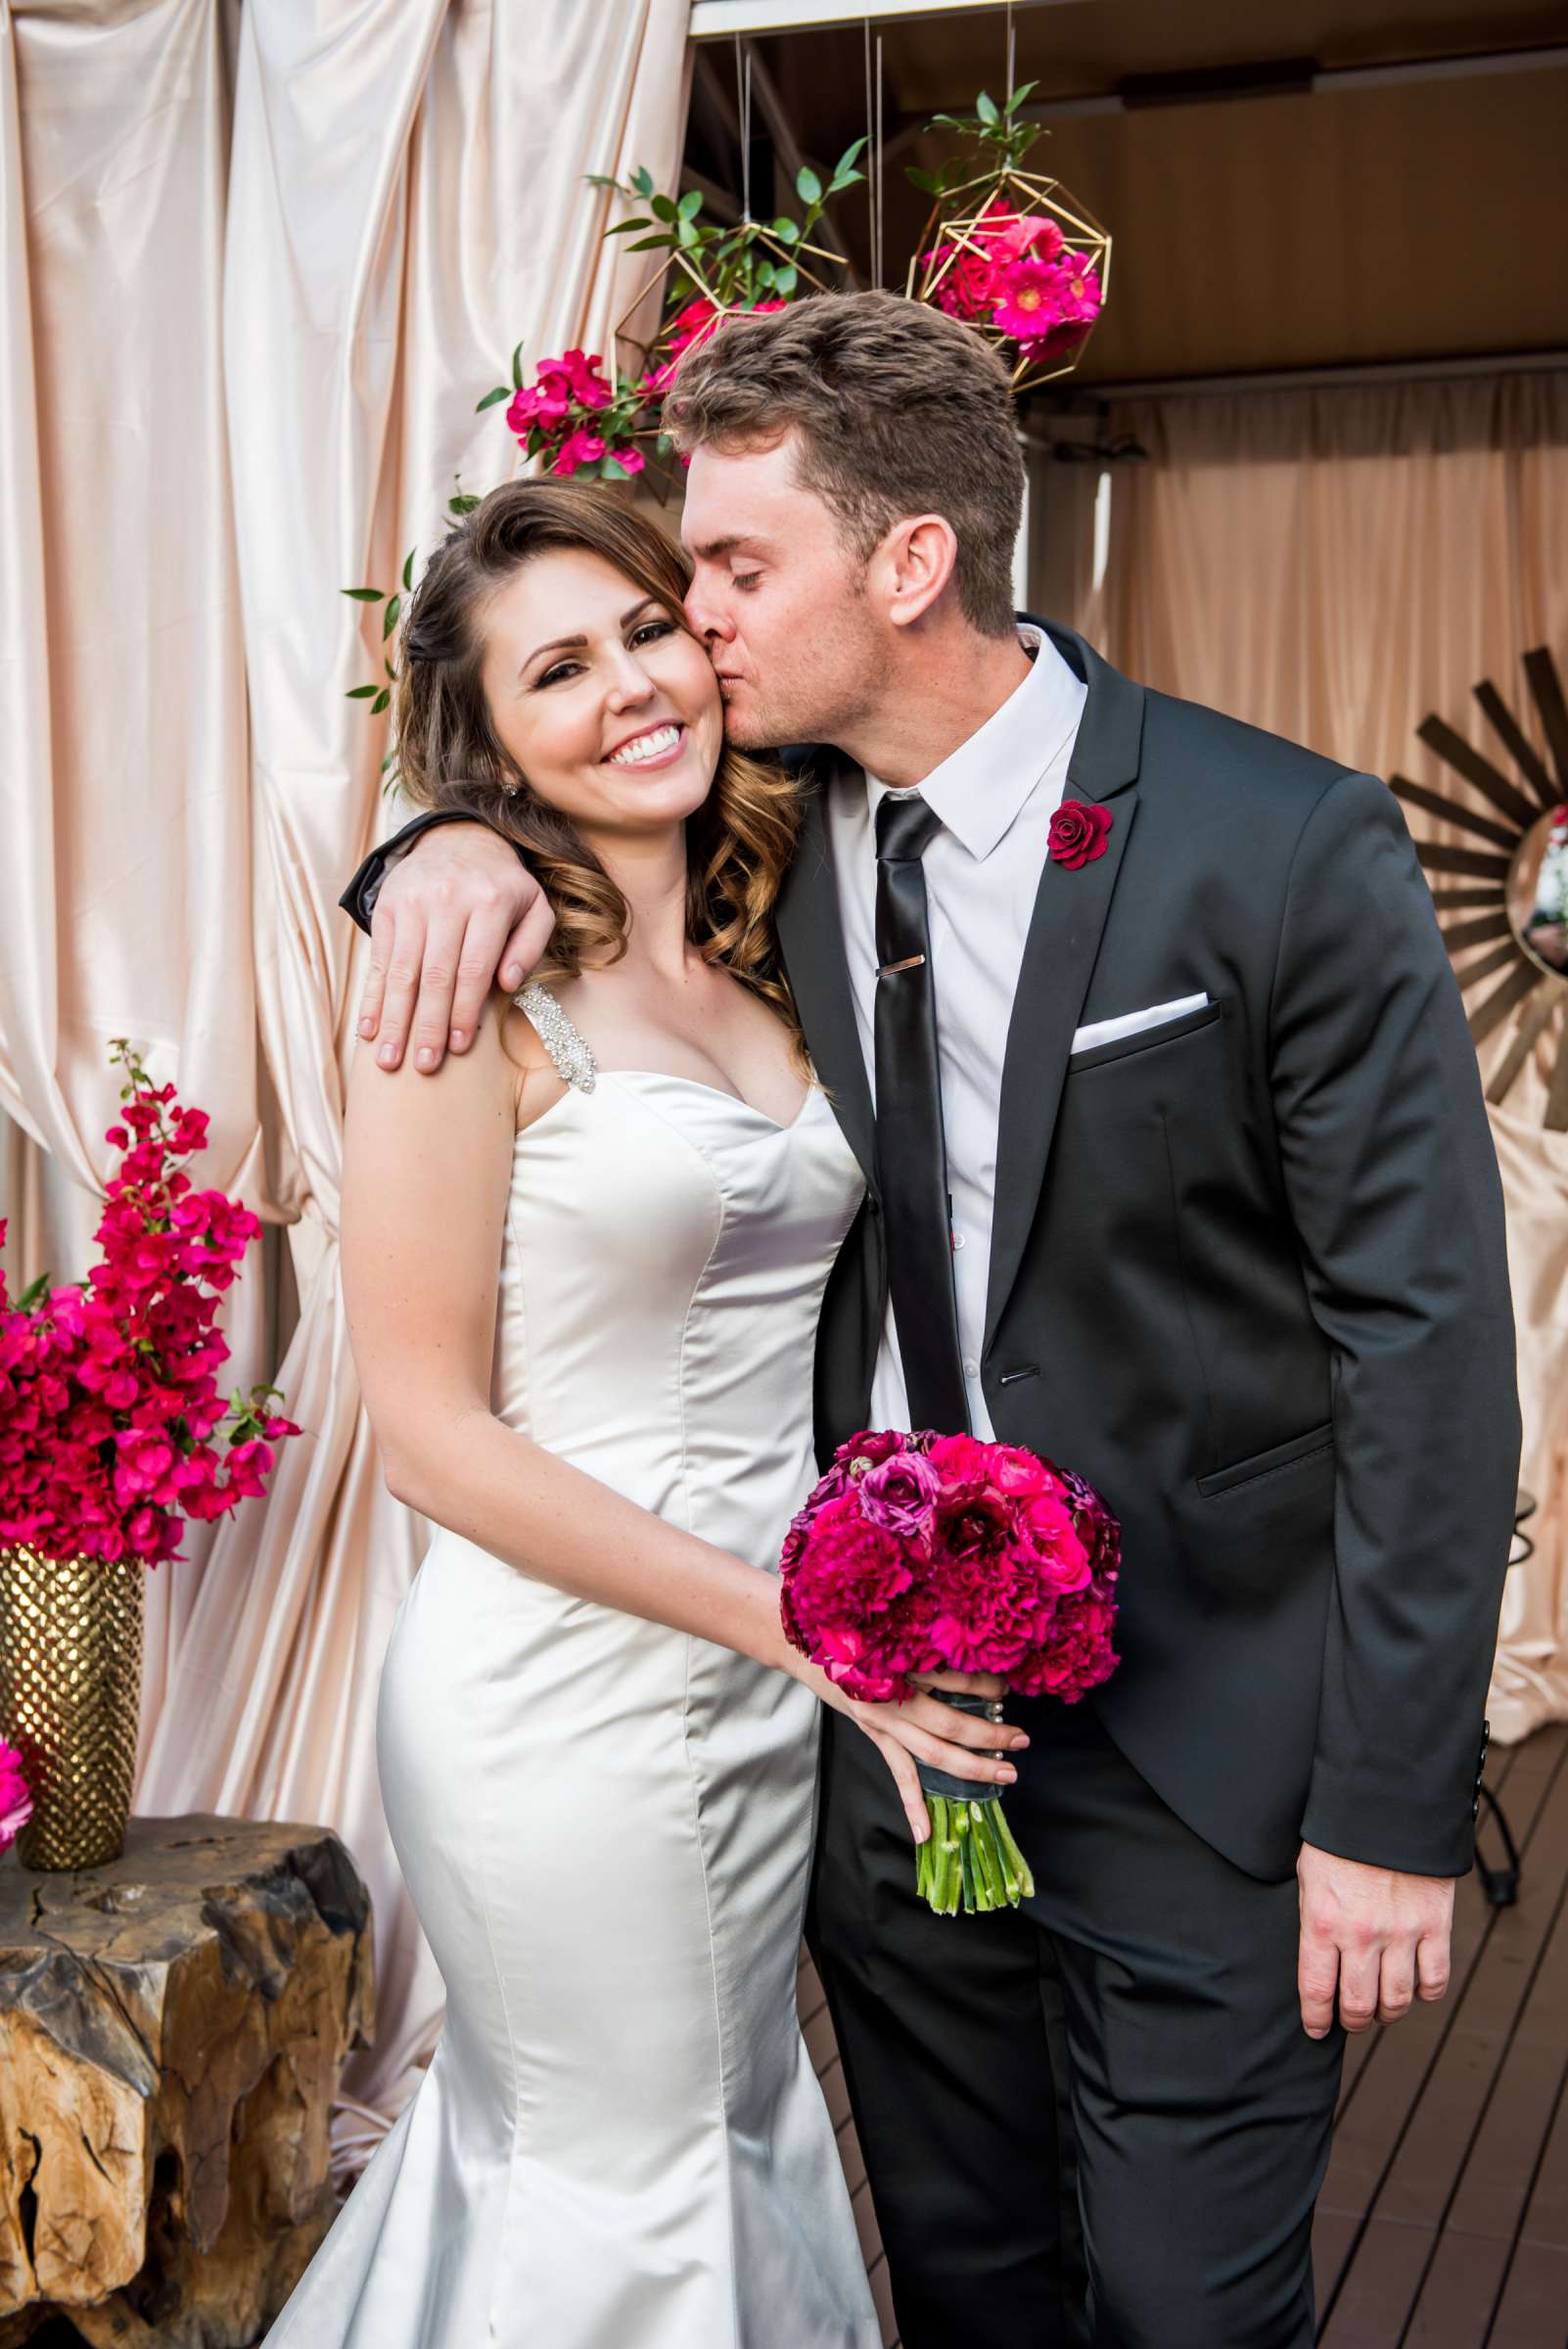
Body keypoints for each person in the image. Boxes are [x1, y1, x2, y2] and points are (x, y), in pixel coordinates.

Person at [342, 294, 1520, 2348]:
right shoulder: (784, 845)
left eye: (722, 575)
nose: (686, 637)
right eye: (663, 590)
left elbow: (1426, 1345)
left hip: (1203, 1753)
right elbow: (542, 884)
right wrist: (424, 849)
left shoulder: (1279, 843)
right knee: (967, 2287)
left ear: (908, 564)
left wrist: (1389, 1808)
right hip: (882, 1765)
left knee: (1184, 2313)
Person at [268, 479, 1020, 2349]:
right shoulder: (461, 992)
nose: (628, 686)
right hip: (563, 1697)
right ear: (487, 750)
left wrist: (833, 1627)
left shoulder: (790, 936)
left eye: (646, 628)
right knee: (618, 2180)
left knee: (722, 2133)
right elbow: (431, 1435)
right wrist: (806, 1631)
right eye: (555, 670)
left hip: (767, 1681)